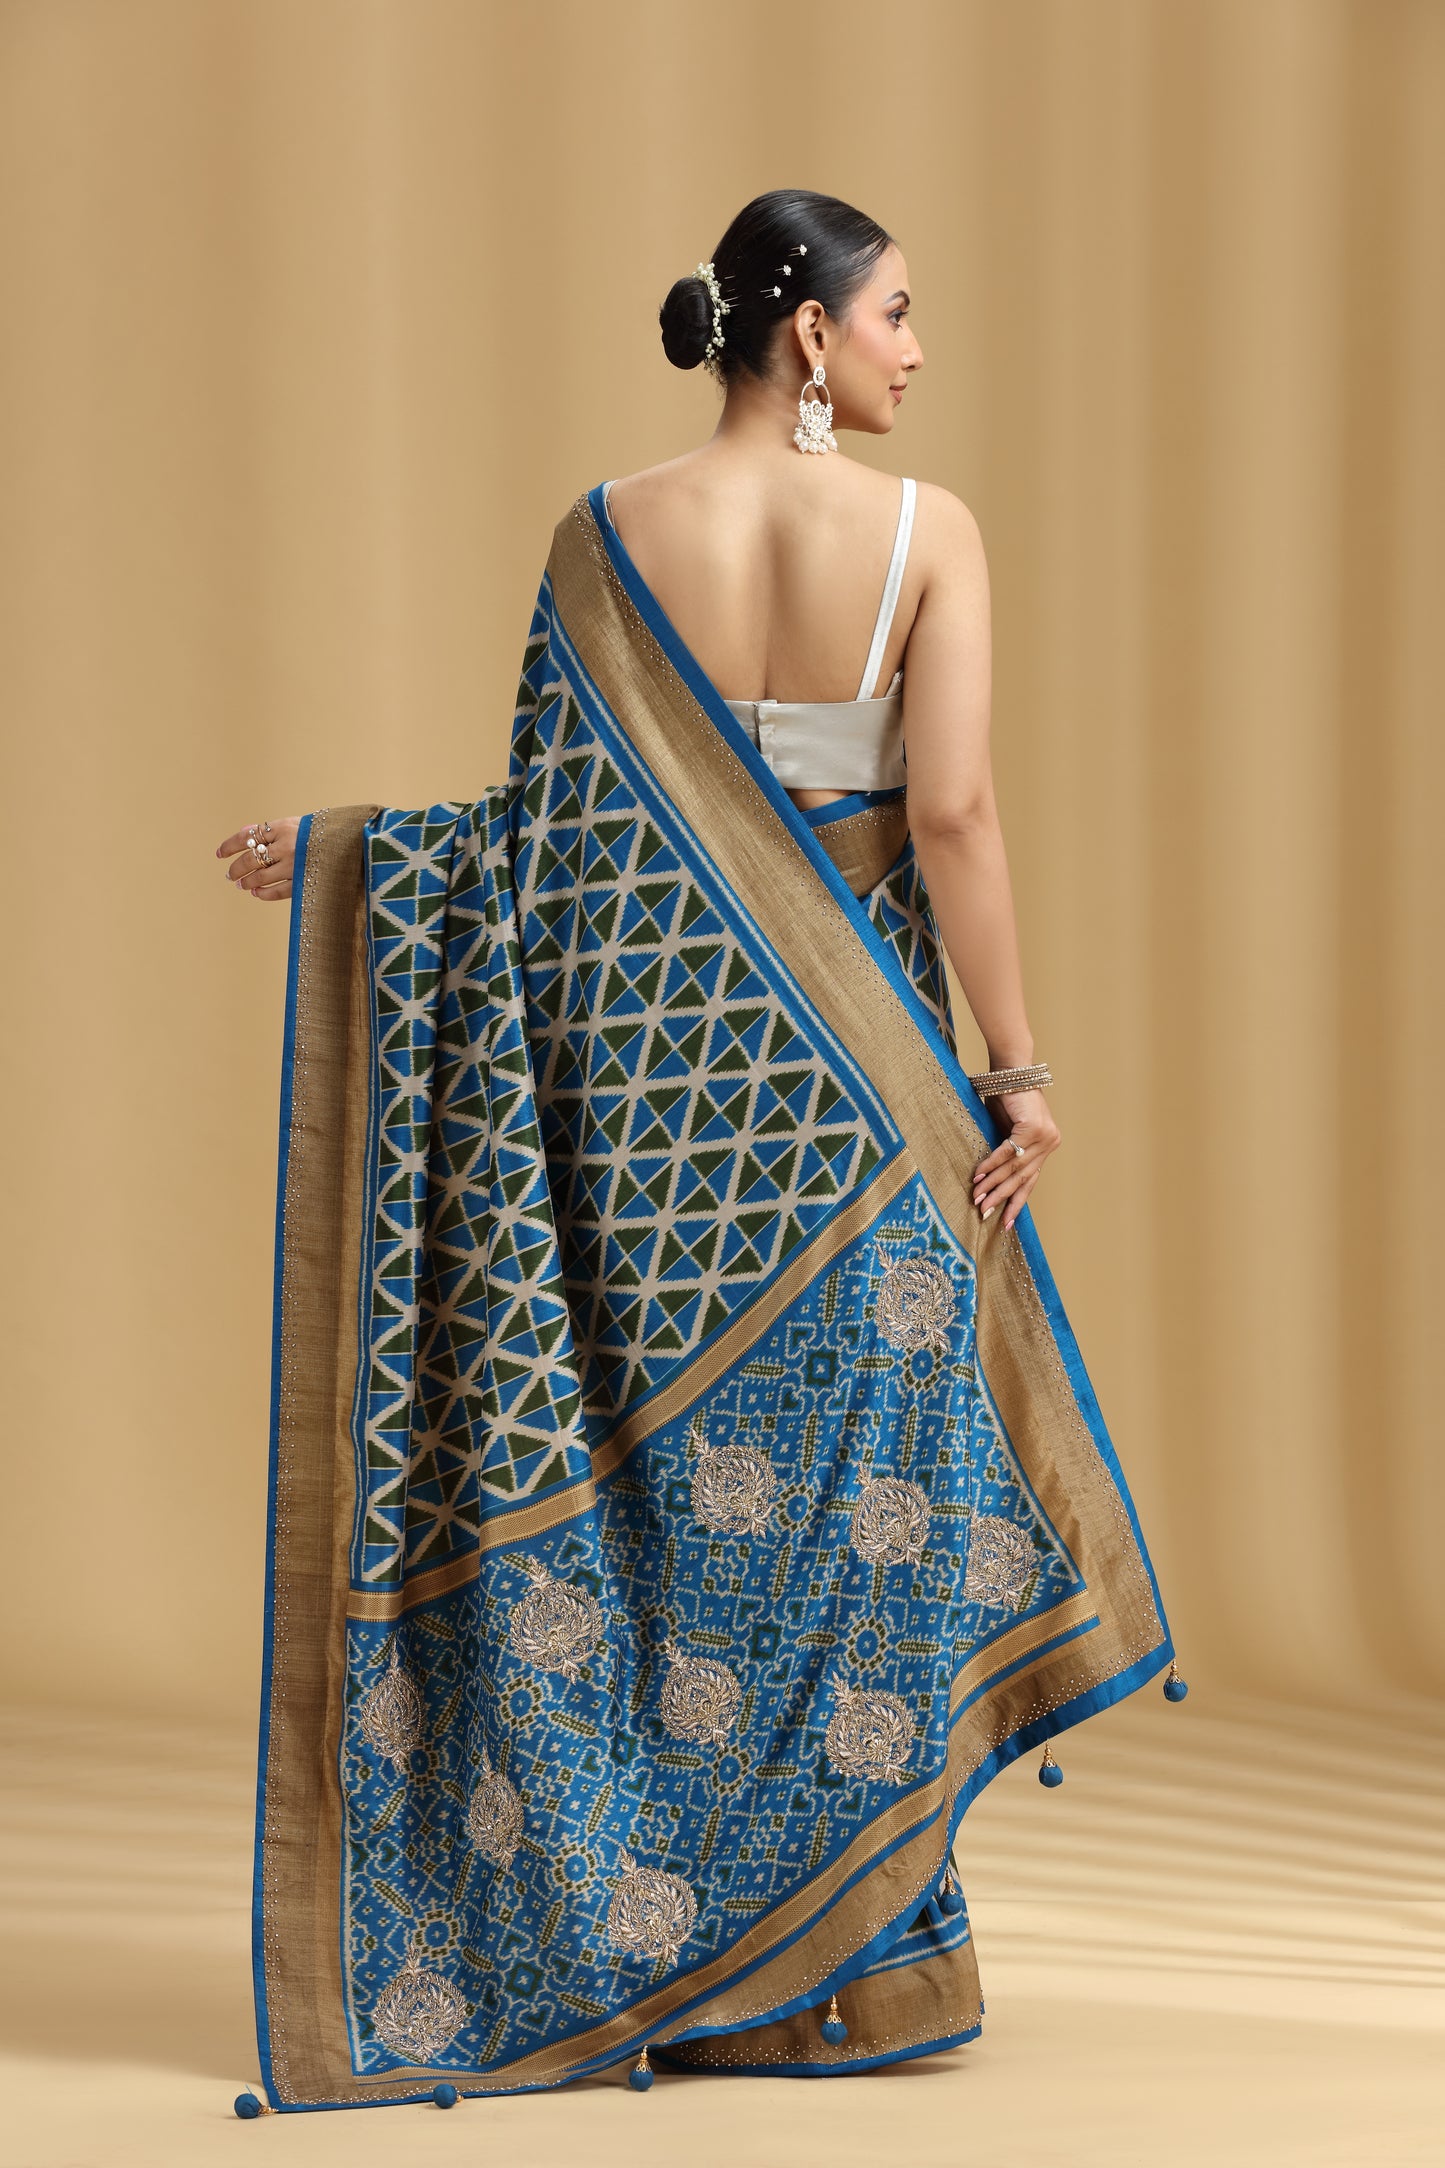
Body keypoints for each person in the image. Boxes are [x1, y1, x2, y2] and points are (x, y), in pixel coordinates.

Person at [216, 188, 1181, 2117]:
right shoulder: (929, 534)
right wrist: (1019, 1068)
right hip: (867, 1092)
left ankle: (682, 1950)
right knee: (850, 1525)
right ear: (806, 335)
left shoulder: (603, 535)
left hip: (664, 1133)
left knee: (685, 1531)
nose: (918, 346)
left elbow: (549, 855)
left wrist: (359, 861)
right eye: (898, 311)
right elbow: (961, 814)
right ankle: (834, 1981)